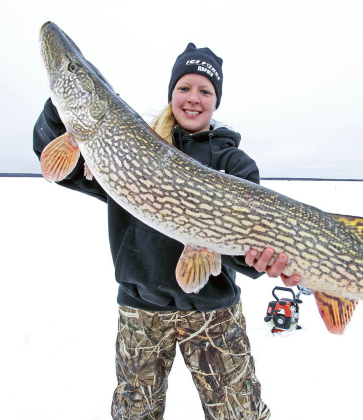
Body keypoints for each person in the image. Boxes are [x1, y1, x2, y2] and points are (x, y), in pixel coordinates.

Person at [33, 42, 300, 420]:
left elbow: (248, 255)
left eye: (205, 90)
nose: (193, 98)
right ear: (171, 93)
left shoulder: (233, 163)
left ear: (216, 101)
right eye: (184, 88)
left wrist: (262, 260)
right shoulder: (125, 144)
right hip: (141, 310)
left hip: (213, 314)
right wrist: (62, 105)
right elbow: (55, 159)